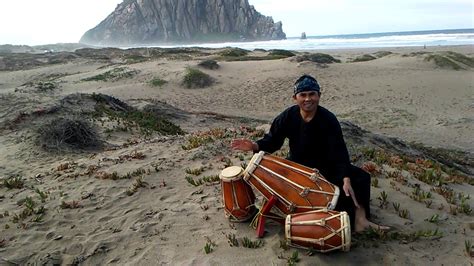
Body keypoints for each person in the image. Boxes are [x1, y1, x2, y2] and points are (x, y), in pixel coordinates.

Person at [231, 74, 388, 232]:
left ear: (319, 95)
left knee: (361, 178)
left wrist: (346, 177)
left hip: (325, 166)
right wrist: (255, 145)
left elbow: (339, 150)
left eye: (312, 94)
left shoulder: (328, 119)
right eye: (303, 95)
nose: (308, 99)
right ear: (295, 97)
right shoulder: (287, 116)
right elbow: (273, 141)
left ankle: (361, 220)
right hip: (297, 165)